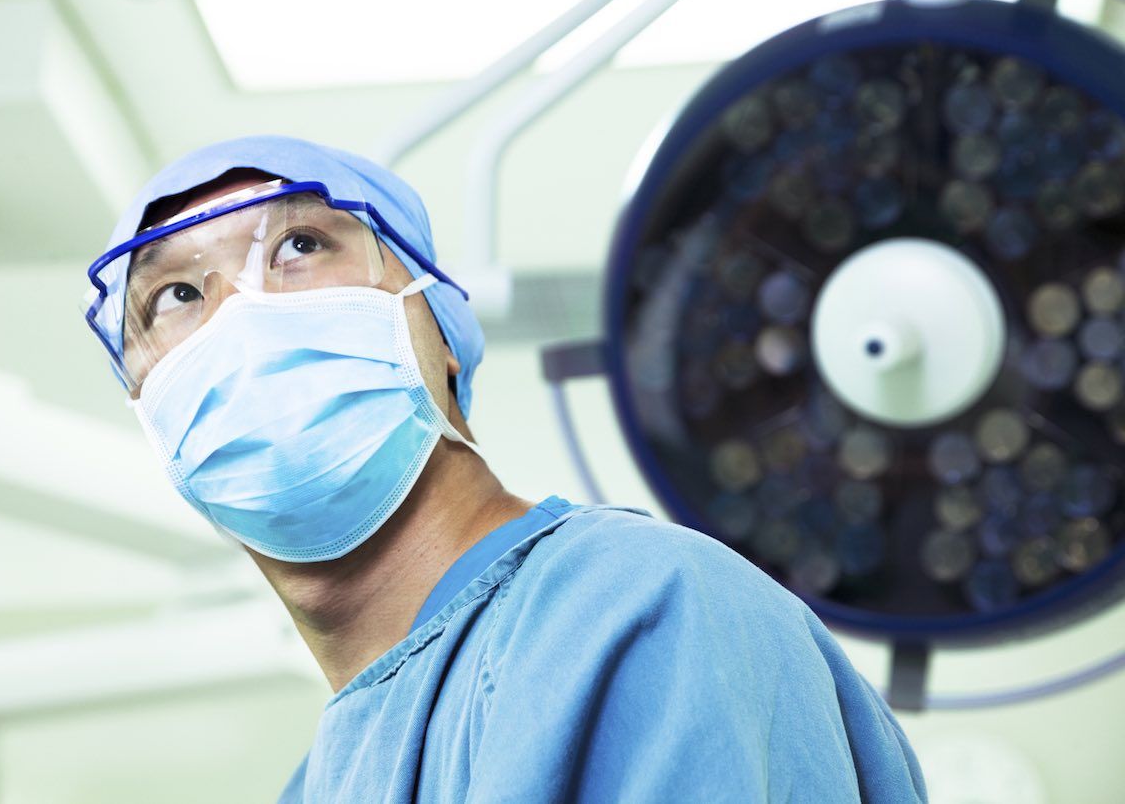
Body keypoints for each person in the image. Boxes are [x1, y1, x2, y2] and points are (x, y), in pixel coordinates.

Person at [84, 134, 927, 802]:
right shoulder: (322, 783)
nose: (240, 317)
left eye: (300, 245)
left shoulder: (637, 611)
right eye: (176, 297)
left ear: (440, 332)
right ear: (150, 407)